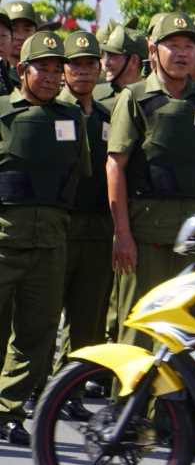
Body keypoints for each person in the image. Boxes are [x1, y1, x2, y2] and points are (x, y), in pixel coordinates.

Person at [106, 13, 195, 349]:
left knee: (186, 331)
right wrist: (122, 234)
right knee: (139, 328)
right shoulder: (134, 97)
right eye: (172, 45)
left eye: (188, 46)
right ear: (152, 49)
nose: (182, 53)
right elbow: (115, 166)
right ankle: (130, 401)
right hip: (145, 236)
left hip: (193, 236)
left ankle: (172, 404)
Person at [0, 31, 91, 445]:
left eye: (59, 70)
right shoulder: (2, 112)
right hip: (4, 239)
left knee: (36, 335)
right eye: (44, 69)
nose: (53, 77)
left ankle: (9, 411)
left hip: (51, 243)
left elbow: (78, 174)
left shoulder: (72, 119)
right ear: (23, 70)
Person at [54, 31, 114, 373]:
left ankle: (70, 387)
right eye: (75, 65)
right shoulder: (54, 111)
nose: (84, 71)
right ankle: (36, 386)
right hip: (63, 224)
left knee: (88, 315)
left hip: (98, 228)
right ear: (65, 69)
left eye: (90, 64)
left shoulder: (107, 116)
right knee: (46, 312)